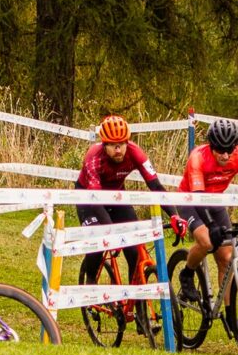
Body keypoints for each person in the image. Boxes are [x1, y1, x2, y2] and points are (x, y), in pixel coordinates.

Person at [74, 114, 166, 284]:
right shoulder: (94, 156)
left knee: (134, 251)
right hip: (89, 198)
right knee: (99, 240)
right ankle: (91, 282)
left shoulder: (135, 152)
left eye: (122, 144)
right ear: (105, 145)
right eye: (113, 146)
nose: (118, 150)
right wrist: (111, 231)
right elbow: (95, 198)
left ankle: (133, 300)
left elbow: (156, 186)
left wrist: (174, 215)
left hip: (117, 196)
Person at [175, 118, 238, 304]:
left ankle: (228, 315)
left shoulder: (235, 155)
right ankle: (187, 274)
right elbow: (198, 198)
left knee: (226, 259)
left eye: (230, 149)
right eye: (220, 150)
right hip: (190, 200)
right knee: (207, 241)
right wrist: (211, 225)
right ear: (211, 145)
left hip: (214, 201)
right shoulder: (198, 158)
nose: (225, 155)